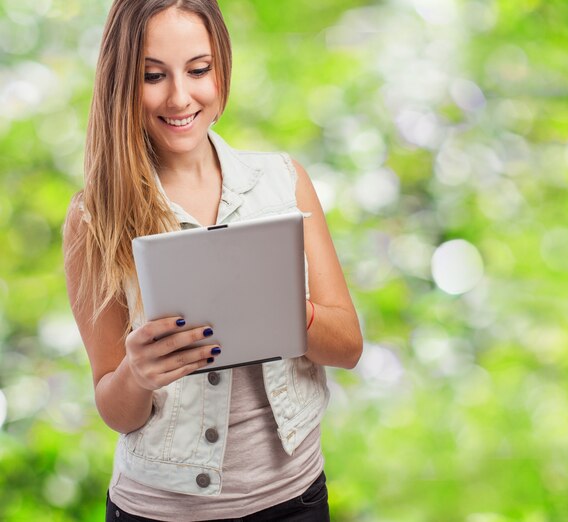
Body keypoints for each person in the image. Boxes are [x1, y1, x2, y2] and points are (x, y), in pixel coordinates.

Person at [63, 0, 362, 520]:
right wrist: (136, 372)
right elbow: (115, 409)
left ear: (221, 68)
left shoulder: (283, 182)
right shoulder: (95, 218)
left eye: (198, 70)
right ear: (121, 85)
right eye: (153, 75)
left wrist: (283, 309)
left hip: (295, 499)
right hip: (160, 511)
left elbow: (348, 347)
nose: (180, 96)